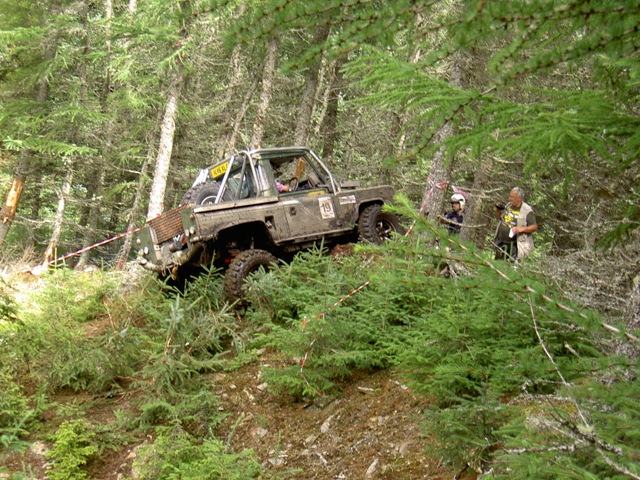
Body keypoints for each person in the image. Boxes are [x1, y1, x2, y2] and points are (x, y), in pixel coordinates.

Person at [494, 187, 538, 261]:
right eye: (510, 196)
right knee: (498, 264)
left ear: (519, 199)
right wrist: (498, 210)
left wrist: (521, 229)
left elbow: (534, 227)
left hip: (515, 245)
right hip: (501, 242)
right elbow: (498, 219)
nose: (510, 199)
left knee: (511, 265)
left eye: (512, 197)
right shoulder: (509, 205)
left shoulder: (527, 210)